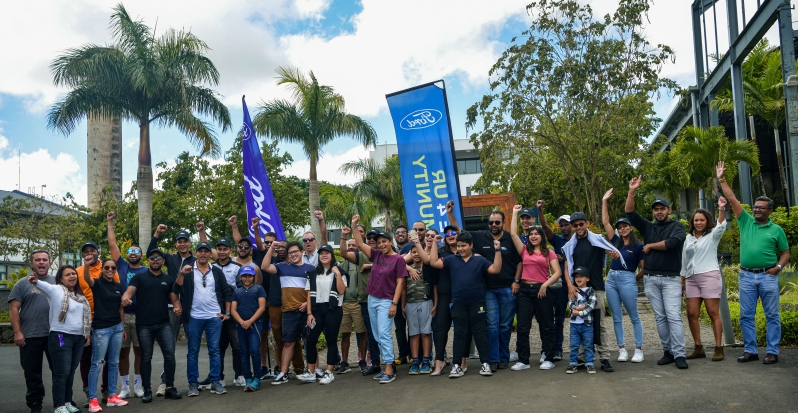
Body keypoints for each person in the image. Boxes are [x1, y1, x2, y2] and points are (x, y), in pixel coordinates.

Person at [717, 161, 789, 364]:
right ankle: (751, 350)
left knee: (772, 315)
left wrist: (779, 267)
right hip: (746, 275)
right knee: (746, 315)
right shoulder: (746, 221)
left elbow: (785, 253)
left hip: (768, 276)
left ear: (770, 211)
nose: (757, 210)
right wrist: (722, 179)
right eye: (756, 207)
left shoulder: (777, 230)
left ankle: (772, 351)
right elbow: (732, 198)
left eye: (761, 208)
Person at [447, 201, 521, 371]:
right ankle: (492, 359)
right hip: (487, 289)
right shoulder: (480, 237)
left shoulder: (510, 238)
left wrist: (516, 281)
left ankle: (503, 357)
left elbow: (519, 262)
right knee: (492, 325)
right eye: (491, 222)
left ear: (503, 223)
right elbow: (459, 232)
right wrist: (450, 213)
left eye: (497, 222)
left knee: (505, 326)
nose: (494, 224)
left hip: (508, 287)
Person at [626, 176, 688, 369]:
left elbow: (672, 243)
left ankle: (680, 354)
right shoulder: (648, 227)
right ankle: (668, 351)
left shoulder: (677, 226)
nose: (659, 212)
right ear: (653, 212)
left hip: (671, 279)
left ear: (669, 210)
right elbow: (630, 213)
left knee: (674, 316)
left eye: (662, 209)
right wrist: (632, 191)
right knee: (660, 317)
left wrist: (650, 245)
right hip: (651, 279)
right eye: (656, 209)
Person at [423, 231, 502, 378]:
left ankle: (485, 363)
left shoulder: (480, 260)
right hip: (458, 303)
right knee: (459, 333)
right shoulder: (452, 260)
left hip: (477, 302)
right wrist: (434, 243)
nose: (460, 249)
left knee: (479, 333)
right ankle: (457, 365)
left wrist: (497, 250)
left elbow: (495, 269)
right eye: (458, 246)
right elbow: (433, 262)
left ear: (471, 245)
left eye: (464, 246)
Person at [561, 211, 623, 373]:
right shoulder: (570, 245)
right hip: (578, 288)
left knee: (599, 324)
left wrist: (614, 254)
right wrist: (570, 285)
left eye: (581, 224)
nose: (579, 227)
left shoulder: (597, 239)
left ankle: (604, 357)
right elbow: (566, 267)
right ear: (572, 227)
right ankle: (582, 357)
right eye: (575, 225)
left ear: (587, 223)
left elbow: (610, 251)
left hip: (596, 287)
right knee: (580, 322)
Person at [147, 223, 203, 396]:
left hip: (191, 307)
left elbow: (207, 250)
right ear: (176, 244)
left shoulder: (196, 260)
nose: (182, 244)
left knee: (193, 347)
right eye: (180, 241)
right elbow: (150, 252)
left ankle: (193, 381)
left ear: (190, 243)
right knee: (169, 347)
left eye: (185, 241)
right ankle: (165, 382)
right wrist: (157, 233)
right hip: (172, 307)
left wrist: (201, 231)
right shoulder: (170, 258)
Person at [120, 248, 182, 403]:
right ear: (148, 260)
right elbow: (129, 291)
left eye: (159, 258)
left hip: (163, 324)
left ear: (163, 261)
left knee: (169, 355)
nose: (155, 260)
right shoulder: (139, 277)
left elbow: (175, 299)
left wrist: (177, 307)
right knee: (146, 357)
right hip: (144, 325)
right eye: (152, 258)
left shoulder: (168, 279)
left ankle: (170, 387)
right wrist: (126, 298)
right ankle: (147, 390)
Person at [351, 214, 408, 383]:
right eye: (379, 242)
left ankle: (389, 369)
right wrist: (354, 225)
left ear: (390, 242)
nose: (382, 244)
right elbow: (360, 244)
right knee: (377, 335)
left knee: (384, 333)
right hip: (372, 299)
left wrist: (394, 303)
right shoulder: (376, 255)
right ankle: (387, 366)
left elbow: (400, 283)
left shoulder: (398, 259)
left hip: (386, 301)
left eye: (384, 241)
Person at [173, 242, 233, 396]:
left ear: (210, 254)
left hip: (214, 316)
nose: (203, 254)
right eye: (200, 251)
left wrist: (227, 312)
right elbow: (176, 288)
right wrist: (181, 274)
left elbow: (226, 291)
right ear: (196, 254)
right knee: (193, 351)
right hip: (194, 316)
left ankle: (215, 381)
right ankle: (193, 384)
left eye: (206, 251)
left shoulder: (216, 271)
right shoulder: (188, 270)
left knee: (215, 350)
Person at [28, 265, 91, 413]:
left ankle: (67, 402)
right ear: (61, 279)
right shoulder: (56, 290)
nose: (72, 276)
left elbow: (83, 318)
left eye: (73, 274)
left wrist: (86, 334)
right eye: (67, 275)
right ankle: (59, 406)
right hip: (61, 336)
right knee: (61, 373)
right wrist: (35, 281)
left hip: (79, 338)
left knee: (70, 372)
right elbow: (42, 285)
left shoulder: (80, 296)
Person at [508, 205, 562, 371]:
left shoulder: (549, 253)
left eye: (536, 234)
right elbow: (513, 234)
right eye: (531, 234)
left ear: (541, 236)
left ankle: (548, 357)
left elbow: (558, 272)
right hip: (525, 290)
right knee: (523, 327)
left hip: (542, 290)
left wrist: (545, 285)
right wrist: (515, 213)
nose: (533, 236)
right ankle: (523, 360)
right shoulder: (524, 250)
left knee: (547, 325)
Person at [681, 197, 728, 361]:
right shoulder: (688, 238)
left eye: (702, 220)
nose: (699, 223)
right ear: (692, 222)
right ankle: (698, 347)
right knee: (691, 314)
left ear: (707, 221)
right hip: (691, 278)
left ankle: (718, 348)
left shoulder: (712, 236)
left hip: (709, 276)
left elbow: (721, 226)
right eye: (696, 220)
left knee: (713, 313)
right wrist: (682, 278)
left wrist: (721, 209)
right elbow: (684, 260)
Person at [601, 190, 645, 363]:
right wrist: (604, 201)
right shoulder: (615, 242)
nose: (622, 229)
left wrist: (634, 279)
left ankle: (638, 350)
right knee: (616, 317)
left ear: (631, 227)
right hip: (612, 279)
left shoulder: (638, 246)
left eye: (625, 226)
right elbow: (605, 222)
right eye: (620, 227)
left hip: (628, 279)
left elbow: (644, 268)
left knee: (634, 316)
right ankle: (622, 349)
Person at [106, 212, 147, 399]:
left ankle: (138, 385)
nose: (133, 253)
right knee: (123, 353)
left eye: (136, 251)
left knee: (139, 352)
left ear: (141, 255)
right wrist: (110, 221)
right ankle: (125, 387)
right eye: (130, 251)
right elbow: (112, 244)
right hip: (122, 316)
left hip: (141, 317)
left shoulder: (147, 271)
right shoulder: (121, 266)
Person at [263, 241, 314, 385]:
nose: (293, 254)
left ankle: (313, 371)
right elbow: (264, 266)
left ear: (302, 252)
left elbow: (315, 290)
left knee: (309, 342)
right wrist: (271, 248)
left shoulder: (311, 269)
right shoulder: (282, 267)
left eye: (296, 251)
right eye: (290, 252)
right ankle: (283, 373)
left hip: (306, 312)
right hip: (288, 312)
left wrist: (307, 304)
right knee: (288, 342)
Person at [9, 250, 55, 413]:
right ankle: (35, 403)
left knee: (60, 369)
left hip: (56, 335)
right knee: (32, 372)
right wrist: (17, 332)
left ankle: (64, 400)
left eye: (44, 259)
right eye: (38, 260)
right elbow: (14, 309)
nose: (41, 262)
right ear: (31, 264)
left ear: (50, 263)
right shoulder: (22, 284)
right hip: (30, 335)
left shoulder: (58, 281)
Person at [82, 258, 128, 412]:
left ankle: (112, 396)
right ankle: (92, 399)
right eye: (107, 267)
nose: (110, 270)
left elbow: (120, 307)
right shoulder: (97, 283)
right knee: (97, 363)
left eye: (113, 268)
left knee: (113, 362)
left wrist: (122, 326)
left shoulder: (118, 286)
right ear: (102, 269)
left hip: (117, 327)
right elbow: (87, 278)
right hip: (101, 329)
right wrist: (87, 265)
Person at [76, 242, 118, 405]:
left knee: (108, 358)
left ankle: (106, 390)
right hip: (85, 321)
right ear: (82, 255)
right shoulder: (78, 271)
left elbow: (116, 291)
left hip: (106, 320)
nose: (89, 253)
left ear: (98, 252)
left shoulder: (108, 268)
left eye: (92, 250)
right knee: (86, 358)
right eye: (85, 251)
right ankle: (88, 391)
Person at [340, 226, 382, 375]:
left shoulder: (387, 254)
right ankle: (375, 363)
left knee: (383, 334)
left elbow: (397, 262)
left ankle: (389, 363)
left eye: (374, 238)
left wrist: (371, 265)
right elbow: (344, 253)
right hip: (365, 300)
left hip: (384, 300)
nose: (371, 240)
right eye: (369, 238)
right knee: (371, 334)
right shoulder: (361, 255)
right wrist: (343, 236)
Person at [304, 245, 347, 384]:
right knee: (310, 340)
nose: (324, 255)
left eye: (327, 253)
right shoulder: (313, 273)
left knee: (331, 340)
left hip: (333, 308)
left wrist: (337, 274)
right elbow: (309, 293)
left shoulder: (339, 271)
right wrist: (309, 313)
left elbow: (341, 291)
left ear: (331, 255)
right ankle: (311, 372)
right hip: (317, 309)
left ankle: (329, 372)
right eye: (321, 253)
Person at [207, 237, 245, 388]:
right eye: (220, 249)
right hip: (215, 311)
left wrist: (229, 289)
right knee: (218, 346)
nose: (222, 252)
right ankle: (219, 377)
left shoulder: (237, 267)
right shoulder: (210, 266)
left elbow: (242, 287)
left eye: (225, 249)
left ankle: (239, 375)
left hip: (233, 311)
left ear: (230, 251)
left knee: (237, 345)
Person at [538, 201, 572, 362]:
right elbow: (545, 228)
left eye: (566, 224)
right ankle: (552, 349)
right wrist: (539, 210)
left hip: (575, 284)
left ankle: (578, 351)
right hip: (558, 284)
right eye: (562, 225)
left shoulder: (579, 240)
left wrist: (564, 259)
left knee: (572, 318)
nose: (564, 227)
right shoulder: (558, 241)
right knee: (553, 319)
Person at [230, 266, 267, 391]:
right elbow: (233, 310)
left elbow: (261, 307)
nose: (247, 278)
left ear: (253, 277)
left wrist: (250, 321)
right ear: (240, 277)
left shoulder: (259, 289)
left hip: (255, 325)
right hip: (241, 326)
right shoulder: (237, 292)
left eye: (249, 276)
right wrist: (242, 322)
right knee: (243, 352)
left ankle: (257, 378)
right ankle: (248, 378)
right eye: (244, 276)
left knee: (255, 351)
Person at [429, 226, 459, 375]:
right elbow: (431, 265)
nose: (450, 235)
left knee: (462, 329)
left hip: (462, 295)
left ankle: (460, 361)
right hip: (444, 295)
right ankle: (439, 360)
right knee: (440, 328)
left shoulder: (468, 252)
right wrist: (435, 243)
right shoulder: (440, 253)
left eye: (453, 233)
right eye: (447, 234)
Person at [403, 243, 436, 375]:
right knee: (414, 334)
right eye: (413, 252)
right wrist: (402, 305)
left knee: (426, 333)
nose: (416, 254)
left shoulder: (428, 268)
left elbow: (435, 287)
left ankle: (426, 360)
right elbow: (404, 288)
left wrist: (436, 304)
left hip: (426, 302)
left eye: (418, 251)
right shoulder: (406, 269)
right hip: (410, 303)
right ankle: (415, 361)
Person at [337, 236, 368, 374]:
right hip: (344, 304)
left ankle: (363, 361)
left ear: (359, 247)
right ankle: (344, 362)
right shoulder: (342, 265)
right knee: (345, 334)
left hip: (358, 303)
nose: (350, 247)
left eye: (353, 245)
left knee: (362, 333)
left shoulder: (362, 262)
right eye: (348, 245)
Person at [566, 267, 598, 374]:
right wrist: (577, 308)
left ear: (587, 279)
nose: (578, 279)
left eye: (581, 276)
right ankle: (573, 363)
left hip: (586, 324)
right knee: (574, 345)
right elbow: (570, 303)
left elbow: (591, 306)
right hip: (574, 323)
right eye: (576, 277)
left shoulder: (591, 291)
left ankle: (589, 363)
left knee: (588, 344)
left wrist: (579, 312)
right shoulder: (573, 290)